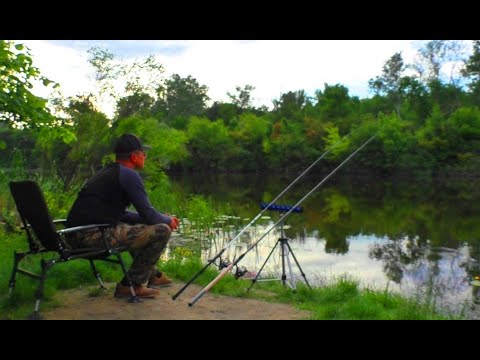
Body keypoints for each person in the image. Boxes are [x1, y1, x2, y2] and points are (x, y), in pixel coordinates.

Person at [66, 133, 180, 298]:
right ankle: (130, 285)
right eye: (143, 153)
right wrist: (168, 220)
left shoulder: (108, 172)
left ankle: (153, 276)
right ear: (134, 157)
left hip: (75, 236)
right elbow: (149, 214)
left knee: (142, 227)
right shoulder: (129, 175)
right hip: (91, 237)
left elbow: (124, 214)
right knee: (162, 230)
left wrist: (157, 217)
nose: (145, 156)